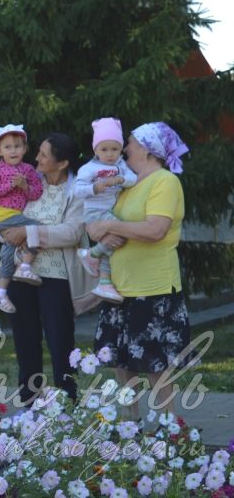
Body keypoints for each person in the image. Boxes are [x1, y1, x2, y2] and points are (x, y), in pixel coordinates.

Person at [89, 122, 191, 417]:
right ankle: (129, 425)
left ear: (147, 149)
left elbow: (155, 229)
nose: (125, 147)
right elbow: (102, 222)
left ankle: (166, 429)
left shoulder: (164, 181)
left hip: (154, 287)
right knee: (122, 362)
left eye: (130, 141)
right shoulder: (127, 184)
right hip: (120, 288)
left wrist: (109, 226)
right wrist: (99, 229)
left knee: (156, 365)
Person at [0, 133, 98, 406]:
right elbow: (4, 213)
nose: (37, 158)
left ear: (62, 162)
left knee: (59, 339)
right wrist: (8, 232)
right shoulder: (29, 184)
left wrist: (27, 233)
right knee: (25, 339)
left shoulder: (77, 191)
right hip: (20, 274)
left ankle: (68, 401)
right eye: (38, 152)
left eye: (44, 154)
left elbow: (72, 232)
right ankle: (29, 402)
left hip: (57, 277)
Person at [74, 117, 138, 302]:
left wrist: (120, 179)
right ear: (95, 150)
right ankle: (90, 254)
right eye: (104, 149)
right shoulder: (89, 168)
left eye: (115, 149)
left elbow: (133, 179)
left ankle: (104, 282)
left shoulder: (121, 166)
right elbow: (77, 191)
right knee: (125, 232)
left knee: (114, 242)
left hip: (111, 211)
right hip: (95, 211)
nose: (110, 154)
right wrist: (93, 188)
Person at [0, 124, 44, 313]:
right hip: (3, 215)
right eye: (8, 147)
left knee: (7, 254)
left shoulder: (28, 170)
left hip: (17, 216)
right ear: (0, 151)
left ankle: (0, 293)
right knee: (37, 229)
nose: (13, 150)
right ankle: (25, 266)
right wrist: (11, 185)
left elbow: (36, 193)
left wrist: (25, 186)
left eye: (18, 146)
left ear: (25, 149)